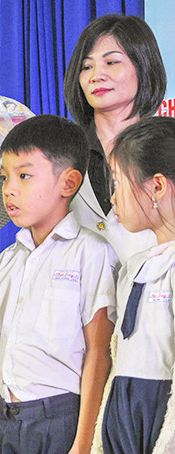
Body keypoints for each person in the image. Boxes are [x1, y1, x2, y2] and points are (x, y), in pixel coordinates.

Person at [0, 14, 166, 263]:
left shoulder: (167, 146)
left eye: (112, 62)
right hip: (72, 294)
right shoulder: (57, 148)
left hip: (153, 293)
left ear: (144, 66)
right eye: (86, 67)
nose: (96, 75)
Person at [0, 115, 118, 454]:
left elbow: (98, 355)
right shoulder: (8, 259)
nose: (9, 189)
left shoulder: (92, 253)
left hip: (61, 420)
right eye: (5, 177)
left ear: (68, 183)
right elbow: (0, 350)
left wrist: (83, 444)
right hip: (5, 421)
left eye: (24, 176)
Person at [98, 117, 175, 453]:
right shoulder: (135, 266)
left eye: (117, 183)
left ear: (156, 186)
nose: (113, 198)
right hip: (122, 422)